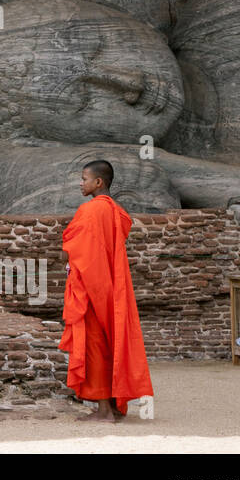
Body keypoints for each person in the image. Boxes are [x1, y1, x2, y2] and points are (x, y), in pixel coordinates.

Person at [59, 160, 154, 422]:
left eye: (84, 179)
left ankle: (104, 411)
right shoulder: (116, 211)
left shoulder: (90, 211)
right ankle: (111, 405)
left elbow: (78, 250)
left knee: (95, 346)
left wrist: (70, 260)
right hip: (112, 287)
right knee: (110, 342)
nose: (81, 183)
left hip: (92, 289)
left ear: (98, 182)